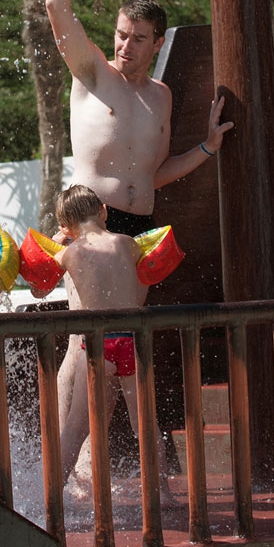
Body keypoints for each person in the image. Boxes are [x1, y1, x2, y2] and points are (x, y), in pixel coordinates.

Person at [46, 0, 233, 425]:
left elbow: (157, 171)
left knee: (118, 348)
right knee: (86, 347)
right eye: (121, 34)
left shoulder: (161, 97)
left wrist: (207, 147)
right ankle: (72, 464)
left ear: (156, 43)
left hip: (139, 228)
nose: (125, 45)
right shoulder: (91, 75)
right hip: (88, 226)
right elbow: (56, 5)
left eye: (137, 38)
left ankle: (92, 460)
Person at [53, 185, 173, 500]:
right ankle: (163, 494)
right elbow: (150, 266)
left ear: (66, 226)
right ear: (104, 210)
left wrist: (58, 243)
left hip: (95, 345)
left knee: (76, 429)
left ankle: (52, 495)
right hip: (131, 339)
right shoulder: (127, 244)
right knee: (145, 424)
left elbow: (38, 282)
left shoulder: (69, 252)